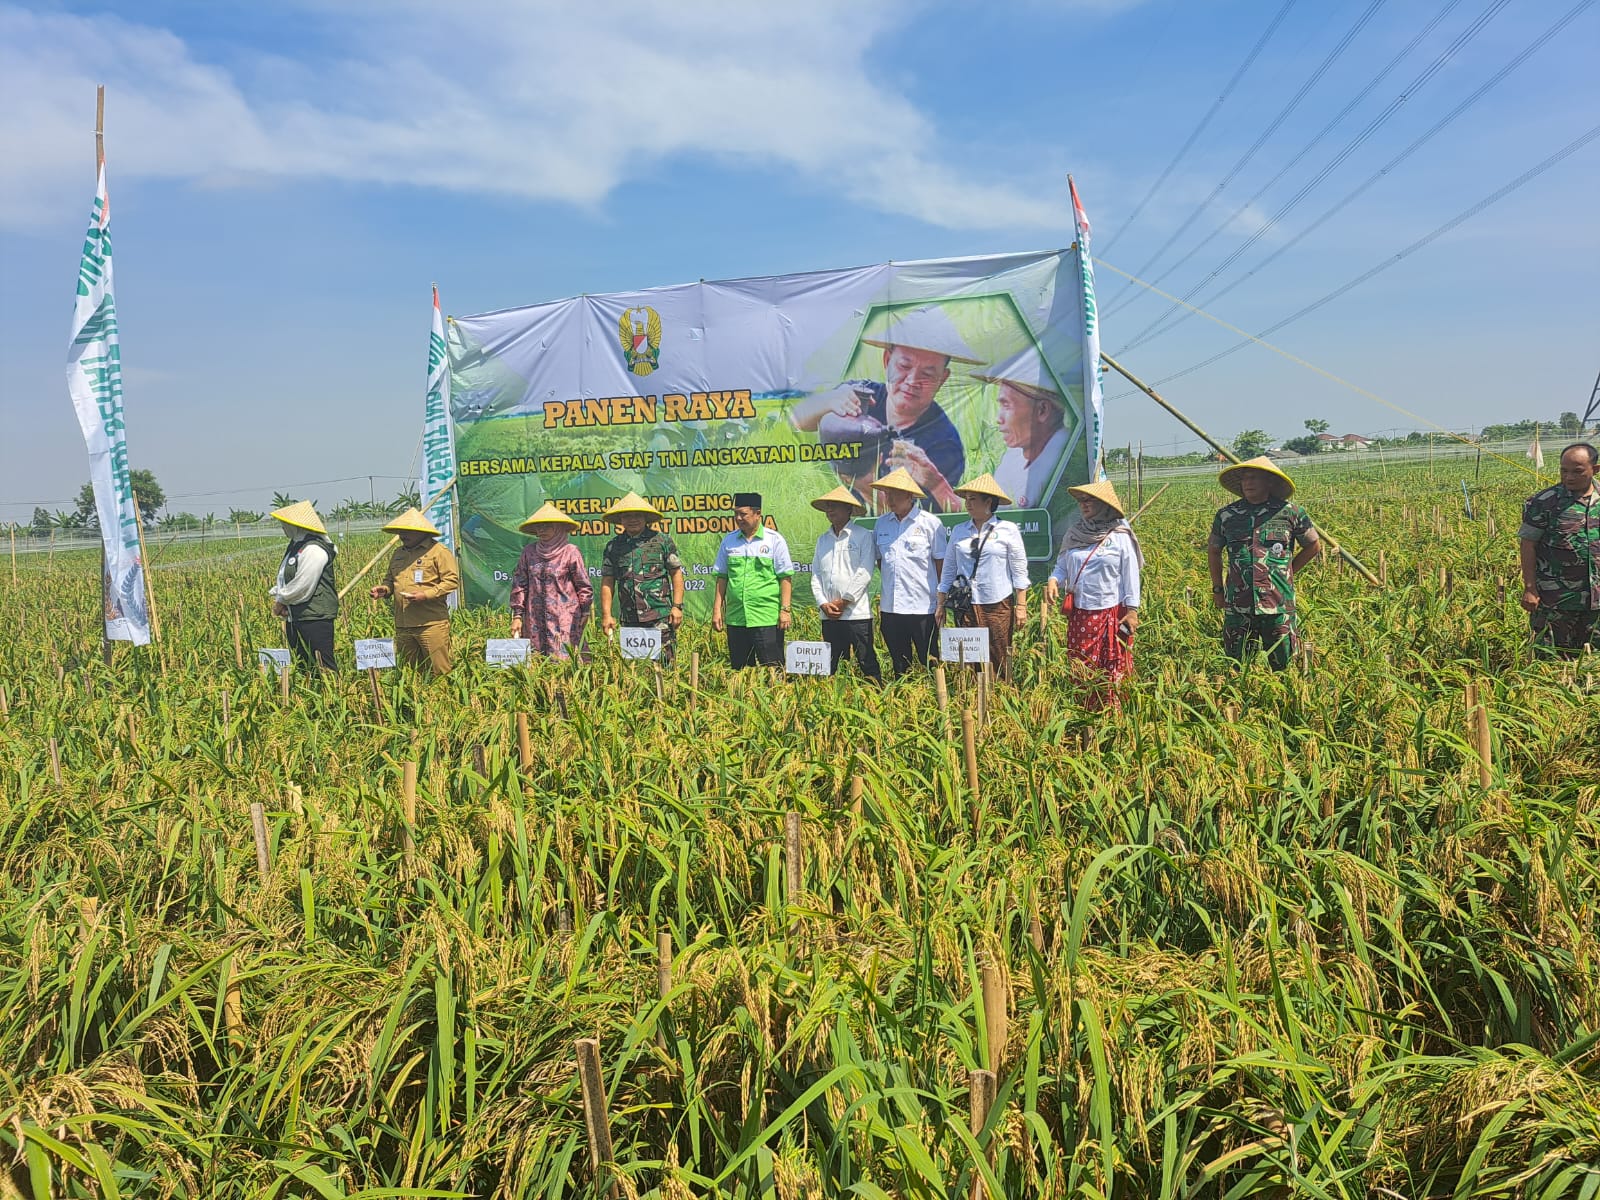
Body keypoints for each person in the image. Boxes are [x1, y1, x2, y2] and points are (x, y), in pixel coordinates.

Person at [789, 306, 981, 511]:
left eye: (927, 374)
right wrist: (828, 400)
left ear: (942, 379)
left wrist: (934, 483)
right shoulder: (862, 395)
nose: (912, 381)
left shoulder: (944, 444)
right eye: (904, 366)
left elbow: (915, 518)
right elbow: (796, 419)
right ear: (887, 361)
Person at [1208, 456, 1320, 670]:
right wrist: (1217, 589)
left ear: (1269, 482)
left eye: (1254, 478)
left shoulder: (1290, 512)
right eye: (1245, 478)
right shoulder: (1227, 515)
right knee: (1238, 666)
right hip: (1239, 604)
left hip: (1278, 604)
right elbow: (1214, 551)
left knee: (1284, 666)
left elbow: (1313, 545)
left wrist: (1288, 572)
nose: (1248, 483)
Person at [1043, 480, 1141, 709]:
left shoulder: (1120, 536)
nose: (1084, 505)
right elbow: (1062, 565)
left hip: (1111, 612)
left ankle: (1112, 712)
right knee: (1082, 664)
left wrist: (1132, 610)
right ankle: (1085, 710)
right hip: (1080, 614)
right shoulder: (1075, 533)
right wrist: (1054, 580)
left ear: (1104, 505)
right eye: (1081, 501)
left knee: (1112, 665)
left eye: (1089, 501)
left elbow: (1131, 575)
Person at [936, 473, 1030, 678]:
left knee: (998, 654)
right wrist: (940, 604)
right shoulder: (960, 530)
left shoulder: (1007, 530)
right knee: (968, 657)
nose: (968, 504)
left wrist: (1021, 606)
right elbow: (949, 569)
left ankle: (1001, 693)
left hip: (997, 603)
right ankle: (970, 693)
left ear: (988, 502)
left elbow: (1019, 571)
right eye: (966, 499)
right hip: (965, 604)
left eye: (973, 499)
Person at [1518, 442, 1598, 657]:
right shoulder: (1544, 502)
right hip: (1557, 600)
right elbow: (1528, 544)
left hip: (1596, 602)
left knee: (1593, 661)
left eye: (1577, 471)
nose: (1569, 477)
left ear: (1595, 469)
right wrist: (1530, 588)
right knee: (1552, 658)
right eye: (1564, 471)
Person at [871, 467, 948, 675]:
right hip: (891, 608)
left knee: (929, 660)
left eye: (894, 494)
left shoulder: (930, 523)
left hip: (922, 607)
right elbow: (881, 562)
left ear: (909, 495)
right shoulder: (881, 524)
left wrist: (941, 602)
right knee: (899, 664)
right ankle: (901, 694)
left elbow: (941, 564)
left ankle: (935, 694)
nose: (889, 499)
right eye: (887, 494)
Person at [977, 346, 1071, 510]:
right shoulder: (1013, 457)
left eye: (1006, 405)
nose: (999, 419)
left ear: (1042, 411)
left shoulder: (1067, 460)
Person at [368, 507, 459, 674]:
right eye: (400, 531)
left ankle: (441, 691)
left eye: (407, 531)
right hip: (403, 624)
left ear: (421, 531)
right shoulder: (398, 553)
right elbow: (390, 579)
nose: (402, 535)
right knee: (409, 673)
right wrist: (385, 589)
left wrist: (426, 595)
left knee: (439, 671)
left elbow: (451, 581)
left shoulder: (439, 552)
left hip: (430, 624)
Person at [599, 492, 685, 664]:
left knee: (665, 666)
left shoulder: (662, 541)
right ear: (621, 519)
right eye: (627, 516)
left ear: (645, 518)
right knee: (634, 669)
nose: (633, 520)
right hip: (629, 619)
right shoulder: (613, 546)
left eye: (637, 515)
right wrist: (607, 615)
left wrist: (677, 607)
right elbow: (608, 582)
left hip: (660, 616)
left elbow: (676, 574)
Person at [712, 492, 794, 668]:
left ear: (757, 514)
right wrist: (717, 610)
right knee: (740, 670)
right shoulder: (729, 541)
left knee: (773, 669)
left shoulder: (774, 540)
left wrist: (785, 610)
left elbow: (785, 578)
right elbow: (722, 578)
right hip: (737, 618)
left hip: (766, 617)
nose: (738, 518)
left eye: (743, 514)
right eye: (735, 514)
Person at [809, 484, 881, 681]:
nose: (830, 510)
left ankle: (876, 695)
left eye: (835, 505)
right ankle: (836, 697)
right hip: (829, 615)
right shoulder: (823, 540)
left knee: (866, 661)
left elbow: (864, 572)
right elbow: (816, 575)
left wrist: (844, 602)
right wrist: (823, 604)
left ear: (848, 508)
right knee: (832, 664)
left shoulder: (863, 535)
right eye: (828, 506)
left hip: (856, 614)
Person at [510, 502, 593, 660]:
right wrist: (517, 616)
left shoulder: (570, 552)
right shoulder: (529, 552)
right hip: (534, 618)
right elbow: (520, 584)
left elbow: (583, 585)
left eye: (547, 526)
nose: (542, 530)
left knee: (567, 658)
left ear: (559, 528)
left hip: (565, 618)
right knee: (537, 660)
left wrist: (585, 610)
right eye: (539, 527)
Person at [268, 500, 339, 671]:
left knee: (323, 666)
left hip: (315, 618)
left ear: (296, 525)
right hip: (295, 617)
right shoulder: (296, 546)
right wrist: (280, 597)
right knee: (303, 666)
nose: (283, 527)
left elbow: (302, 585)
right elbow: (284, 577)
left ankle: (332, 689)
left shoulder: (314, 549)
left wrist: (281, 601)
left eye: (285, 524)